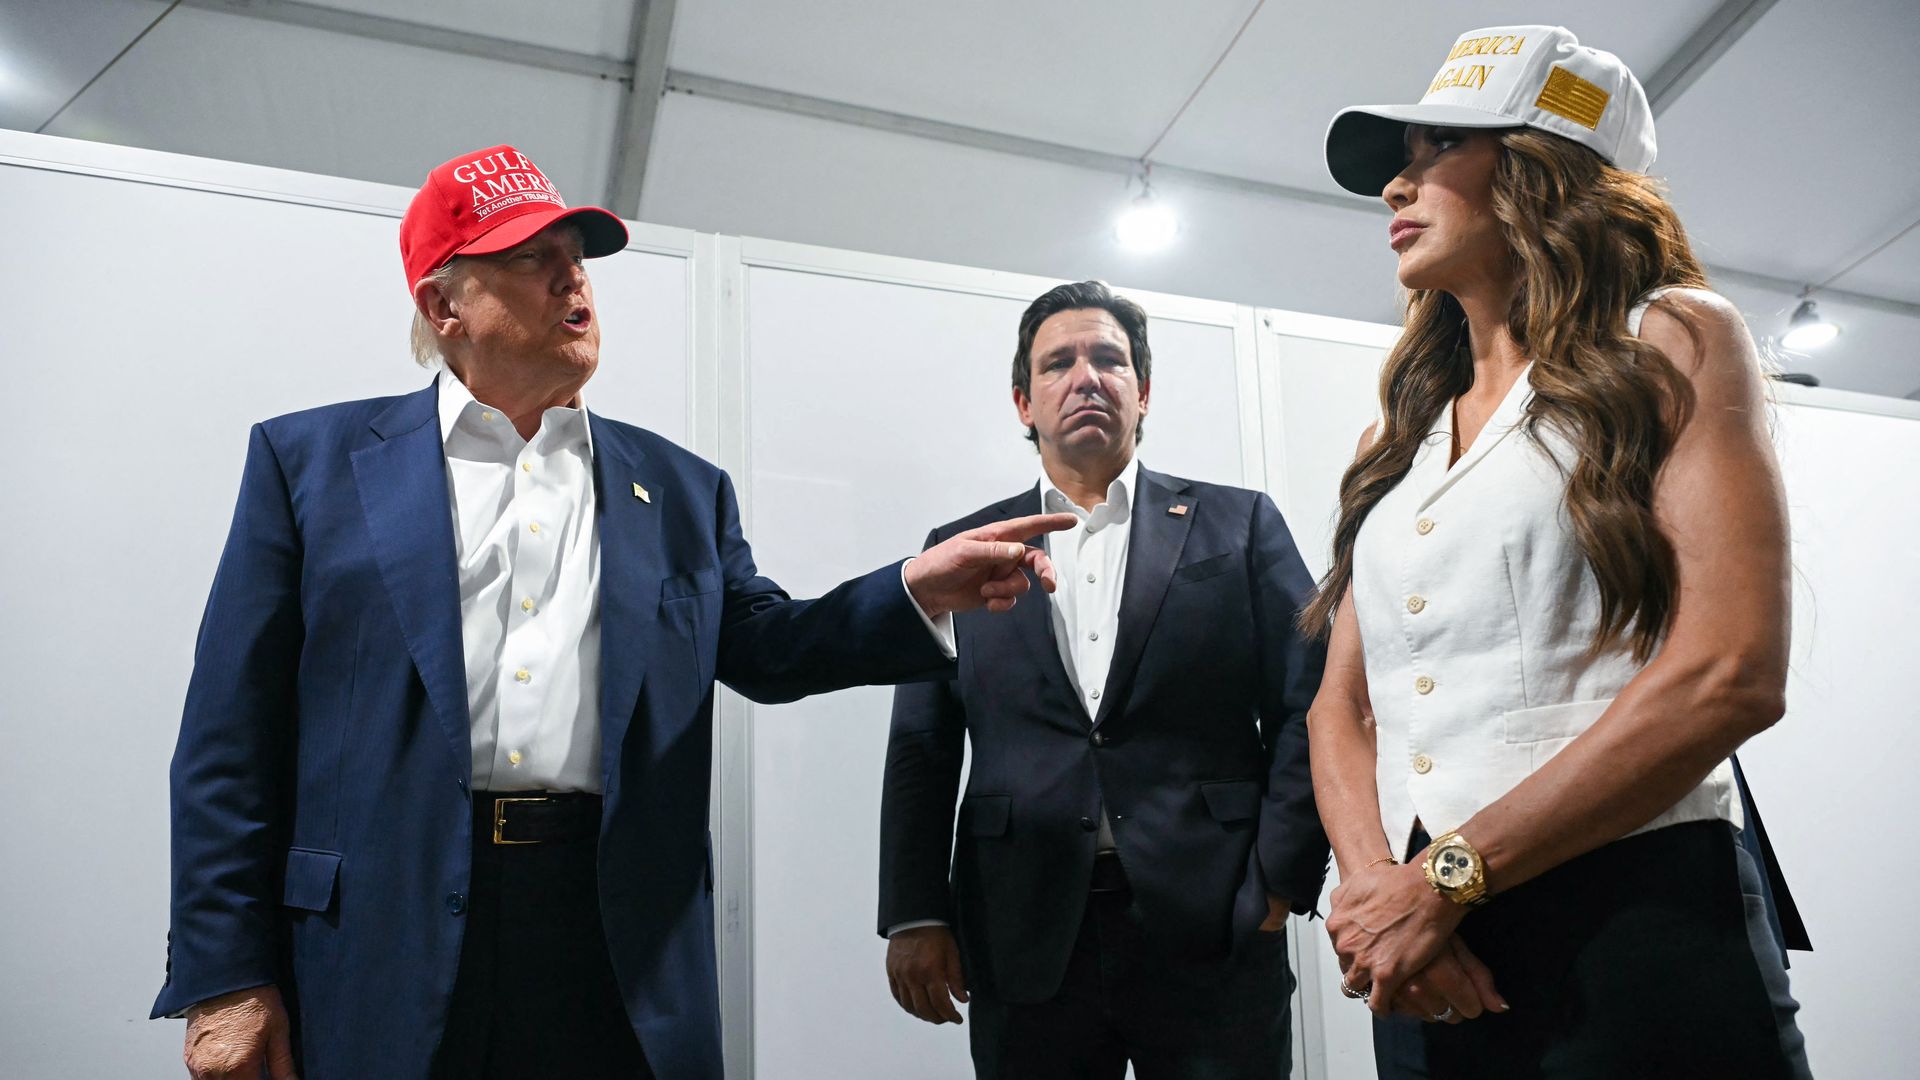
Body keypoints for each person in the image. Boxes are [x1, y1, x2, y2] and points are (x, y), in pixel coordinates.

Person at [151, 144, 1077, 1080]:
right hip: (381, 933)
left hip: (612, 937)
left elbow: (768, 647)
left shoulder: (678, 489)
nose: (571, 279)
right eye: (529, 259)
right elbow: (230, 741)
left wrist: (913, 590)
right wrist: (224, 974)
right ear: (444, 306)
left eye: (578, 258)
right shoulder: (308, 466)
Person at [1309, 26, 1811, 1078]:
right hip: (1419, 950)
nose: (1398, 182)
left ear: (1543, 164)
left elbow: (1732, 672)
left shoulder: (1672, 338)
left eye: (1439, 146)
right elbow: (1340, 709)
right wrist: (1376, 900)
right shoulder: (1394, 436)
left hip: (1631, 913)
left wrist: (1441, 880)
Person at [877, 281, 1330, 1078]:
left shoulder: (1240, 523)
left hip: (1215, 915)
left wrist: (1282, 880)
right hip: (1021, 923)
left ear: (1143, 390)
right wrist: (915, 913)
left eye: (1108, 359)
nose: (1085, 376)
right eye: (1058, 364)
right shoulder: (962, 549)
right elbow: (923, 745)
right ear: (1024, 401)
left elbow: (1311, 700)